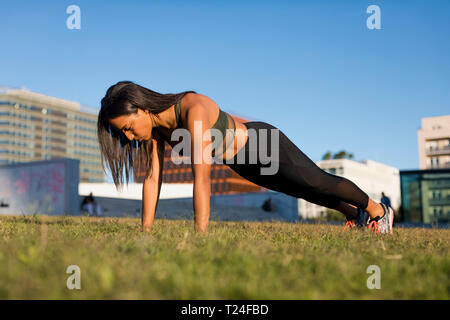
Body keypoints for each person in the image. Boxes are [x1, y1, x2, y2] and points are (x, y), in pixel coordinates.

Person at [97, 81, 394, 234]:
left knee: (316, 181)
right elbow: (152, 179)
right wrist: (145, 233)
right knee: (300, 190)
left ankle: (378, 211)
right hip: (241, 162)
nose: (130, 137)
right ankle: (354, 215)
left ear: (141, 108)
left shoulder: (191, 109)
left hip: (262, 144)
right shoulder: (155, 132)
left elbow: (201, 178)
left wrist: (199, 237)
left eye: (128, 128)